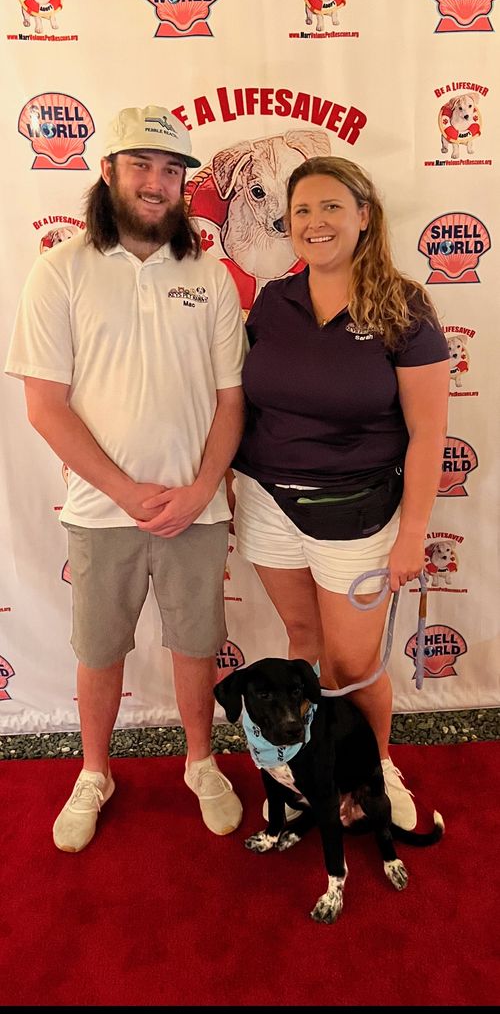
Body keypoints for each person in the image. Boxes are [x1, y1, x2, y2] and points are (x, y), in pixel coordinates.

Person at [5, 104, 248, 852]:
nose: (157, 182)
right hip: (101, 510)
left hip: (196, 510)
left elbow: (229, 401)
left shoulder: (208, 275)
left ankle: (201, 762)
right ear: (106, 171)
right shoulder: (60, 270)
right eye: (141, 165)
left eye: (172, 170)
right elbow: (44, 405)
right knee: (99, 649)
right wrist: (124, 490)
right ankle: (95, 771)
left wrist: (202, 489)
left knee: (196, 645)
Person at [229, 155, 450, 833]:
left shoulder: (403, 304)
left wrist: (412, 533)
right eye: (301, 211)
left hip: (357, 511)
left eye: (330, 207)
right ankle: (312, 767)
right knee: (303, 642)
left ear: (363, 214)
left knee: (353, 663)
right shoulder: (273, 299)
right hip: (268, 501)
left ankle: (376, 768)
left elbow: (428, 433)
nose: (314, 222)